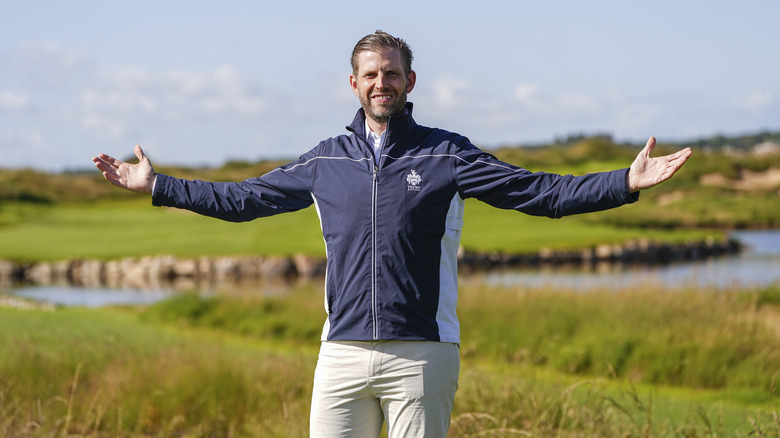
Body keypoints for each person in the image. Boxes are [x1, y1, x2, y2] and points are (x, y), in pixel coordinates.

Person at [93, 30, 692, 438]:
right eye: (371, 74)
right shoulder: (325, 161)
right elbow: (241, 199)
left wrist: (624, 181)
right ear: (353, 84)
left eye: (393, 73)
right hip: (342, 352)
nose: (382, 82)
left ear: (410, 81)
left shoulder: (447, 156)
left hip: (422, 354)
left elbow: (540, 193)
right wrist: (158, 185)